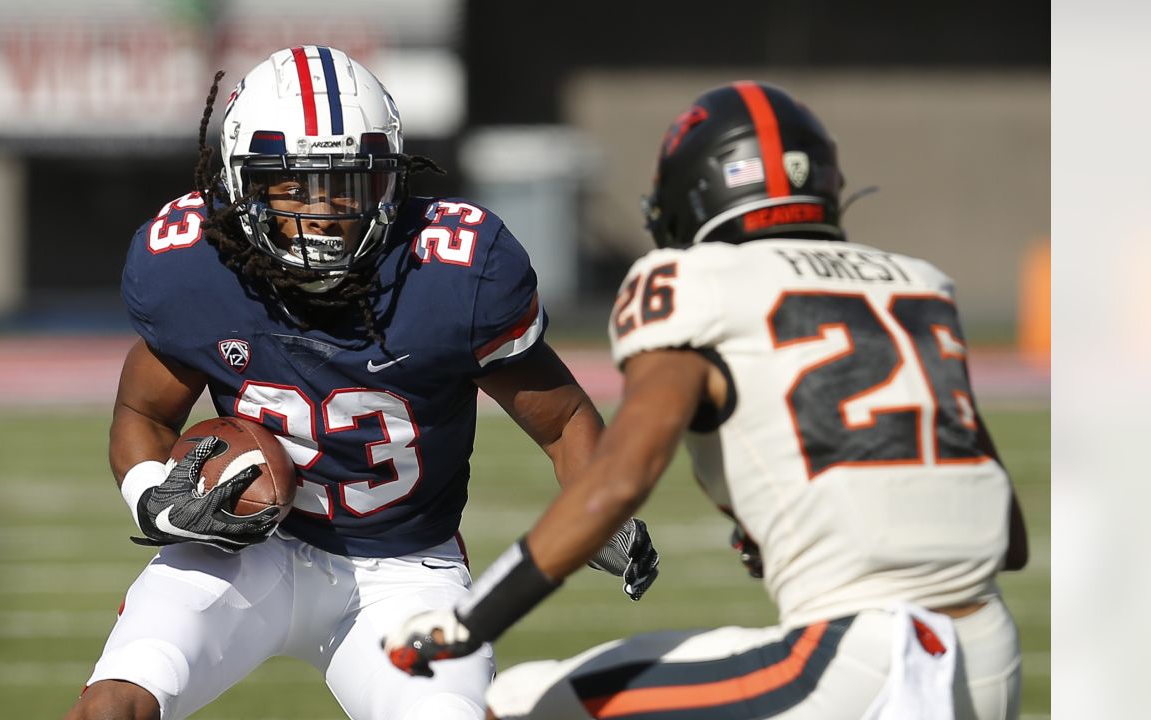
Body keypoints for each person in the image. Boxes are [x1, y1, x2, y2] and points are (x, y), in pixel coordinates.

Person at [385, 81, 1029, 720]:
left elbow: (618, 479)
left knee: (521, 704)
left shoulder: (695, 282)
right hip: (990, 657)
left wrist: (470, 620)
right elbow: (1010, 537)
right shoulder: (919, 285)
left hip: (864, 659)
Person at [65, 45, 661, 720]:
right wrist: (152, 497)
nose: (322, 211)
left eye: (346, 182)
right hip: (244, 552)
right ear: (239, 185)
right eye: (293, 184)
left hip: (408, 574)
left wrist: (600, 512)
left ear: (391, 178)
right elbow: (142, 411)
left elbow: (562, 420)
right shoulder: (193, 266)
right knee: (113, 706)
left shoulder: (453, 273)